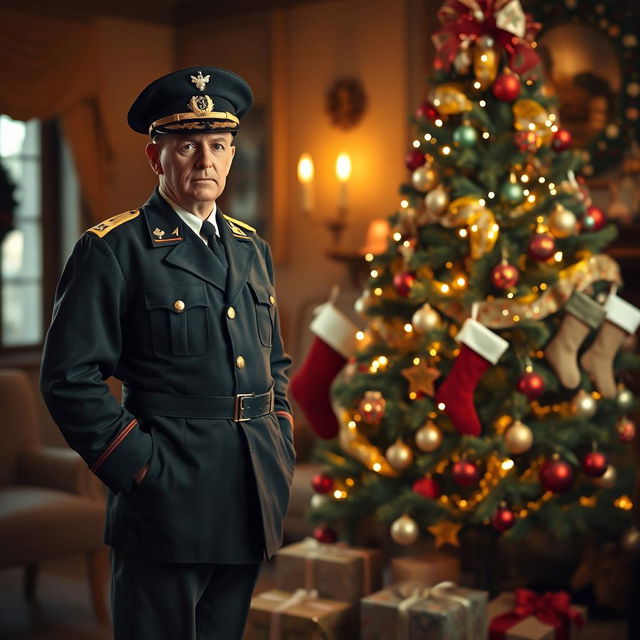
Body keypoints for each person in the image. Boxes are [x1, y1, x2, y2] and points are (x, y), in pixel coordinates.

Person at [40, 66, 295, 640]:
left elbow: (273, 359)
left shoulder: (252, 248)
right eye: (187, 146)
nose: (205, 161)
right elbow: (68, 376)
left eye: (218, 146)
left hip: (249, 484)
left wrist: (278, 430)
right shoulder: (114, 249)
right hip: (168, 493)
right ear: (156, 157)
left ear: (232, 155)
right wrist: (140, 467)